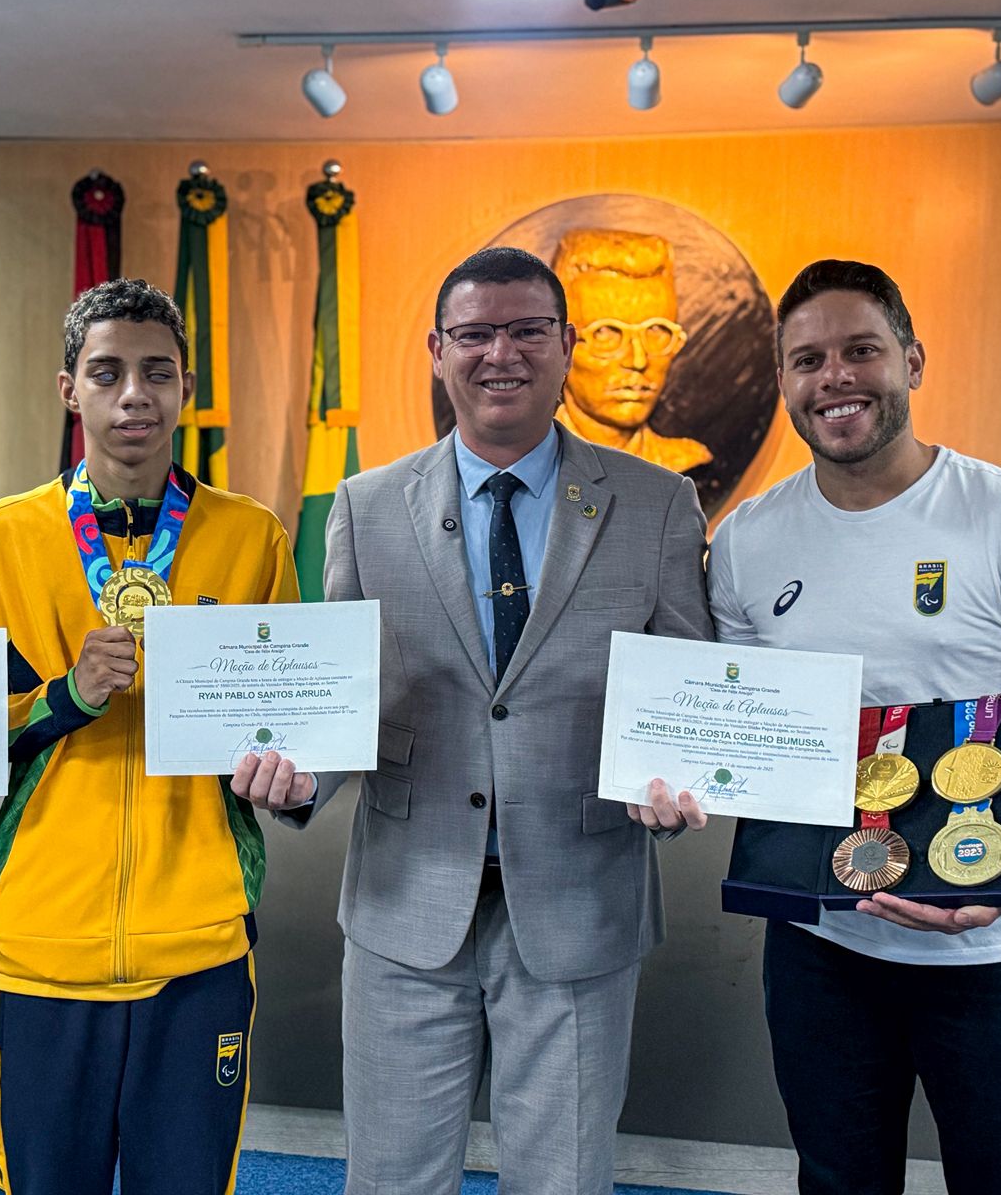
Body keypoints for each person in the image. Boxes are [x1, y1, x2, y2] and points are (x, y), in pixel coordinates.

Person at [253, 246, 711, 1194]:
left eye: (527, 330)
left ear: (565, 346)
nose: (500, 352)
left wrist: (684, 776)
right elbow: (346, 693)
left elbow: (691, 693)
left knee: (561, 1180)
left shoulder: (660, 505)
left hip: (581, 900)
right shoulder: (364, 507)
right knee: (392, 1177)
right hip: (406, 905)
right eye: (474, 333)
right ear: (437, 349)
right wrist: (301, 776)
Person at [707, 259, 1001, 1195]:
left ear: (912, 359)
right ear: (784, 380)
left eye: (862, 350)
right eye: (807, 359)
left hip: (994, 949)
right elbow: (746, 728)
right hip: (824, 946)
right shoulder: (747, 539)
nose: (836, 378)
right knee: (838, 1179)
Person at [0, 277, 310, 1195]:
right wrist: (64, 697)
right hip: (42, 939)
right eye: (107, 372)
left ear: (185, 388)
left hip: (196, 940)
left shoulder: (252, 538)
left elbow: (289, 715)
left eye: (157, 373)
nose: (134, 396)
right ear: (68, 388)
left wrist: (286, 766)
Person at [551, 227, 710, 473]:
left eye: (656, 332)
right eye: (606, 333)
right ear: (561, 346)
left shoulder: (688, 466)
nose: (637, 360)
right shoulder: (522, 464)